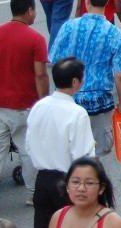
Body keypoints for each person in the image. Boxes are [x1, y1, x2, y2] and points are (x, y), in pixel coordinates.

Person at [0, 0, 48, 213]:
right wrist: (44, 101)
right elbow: (40, 75)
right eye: (34, 10)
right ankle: (33, 194)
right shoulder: (36, 39)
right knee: (28, 150)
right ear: (29, 10)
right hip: (24, 105)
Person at [50, 0, 121, 154]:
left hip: (69, 98)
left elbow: (54, 60)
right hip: (99, 101)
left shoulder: (68, 27)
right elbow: (120, 74)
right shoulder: (114, 33)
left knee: (68, 150)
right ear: (107, 1)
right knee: (95, 153)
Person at [27, 58, 95, 228]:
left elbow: (28, 144)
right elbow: (82, 157)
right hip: (66, 182)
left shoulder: (39, 106)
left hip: (41, 180)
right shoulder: (77, 113)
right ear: (75, 82)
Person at [49, 157, 121, 228]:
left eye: (89, 183)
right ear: (67, 186)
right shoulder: (58, 217)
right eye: (75, 182)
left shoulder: (113, 223)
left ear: (101, 188)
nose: (81, 188)